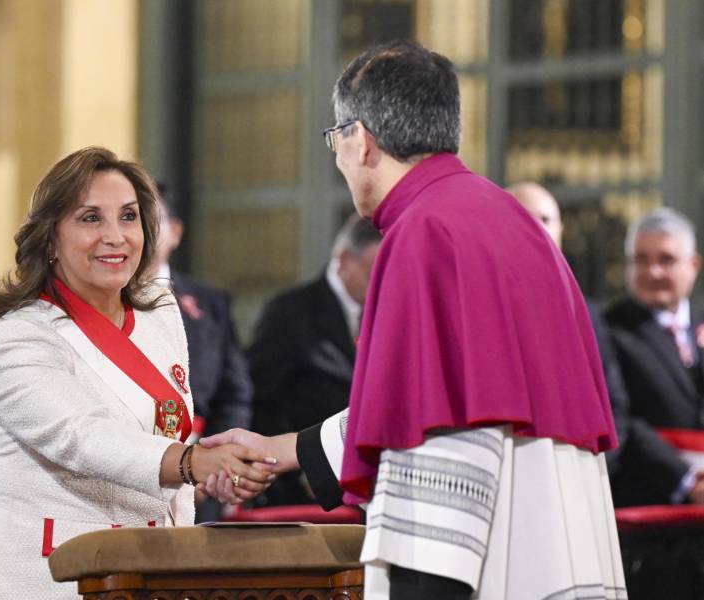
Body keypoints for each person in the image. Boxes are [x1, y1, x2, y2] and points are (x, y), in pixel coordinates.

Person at [201, 41, 626, 600]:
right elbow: (436, 398)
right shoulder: (510, 221)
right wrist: (286, 449)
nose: (337, 158)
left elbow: (438, 432)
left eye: (335, 140)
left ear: (361, 139)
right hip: (553, 540)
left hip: (486, 559)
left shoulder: (423, 233)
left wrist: (421, 584)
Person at [0, 147, 273, 600]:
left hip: (146, 576)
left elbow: (162, 430)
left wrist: (214, 468)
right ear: (50, 239)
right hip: (34, 581)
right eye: (91, 218)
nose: (115, 236)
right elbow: (82, 438)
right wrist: (193, 463)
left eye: (129, 216)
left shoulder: (161, 313)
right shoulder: (14, 338)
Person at [249, 213, 381, 506]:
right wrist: (302, 466)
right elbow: (260, 398)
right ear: (345, 261)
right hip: (298, 490)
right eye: (375, 272)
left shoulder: (389, 311)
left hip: (363, 485)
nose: (383, 283)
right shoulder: (291, 313)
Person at [506, 181, 630, 476]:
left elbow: (613, 408)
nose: (535, 228)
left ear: (561, 230)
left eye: (545, 219)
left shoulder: (587, 314)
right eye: (522, 216)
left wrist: (590, 471)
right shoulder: (475, 306)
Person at [152, 189, 253, 521]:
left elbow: (234, 392)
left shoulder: (209, 302)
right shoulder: (106, 300)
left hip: (205, 475)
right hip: (136, 472)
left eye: (154, 218)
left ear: (176, 231)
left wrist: (209, 462)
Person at [604, 207, 704, 506]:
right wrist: (687, 480)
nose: (653, 272)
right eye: (641, 260)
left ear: (693, 265)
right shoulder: (610, 328)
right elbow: (620, 418)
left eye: (666, 260)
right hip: (651, 500)